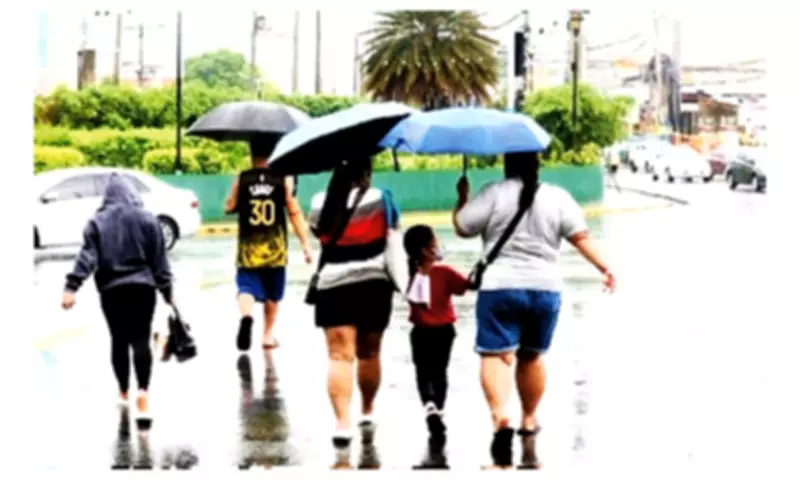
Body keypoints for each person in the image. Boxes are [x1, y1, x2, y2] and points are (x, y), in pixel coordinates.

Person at [451, 152, 616, 469]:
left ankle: (501, 415)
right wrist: (605, 268)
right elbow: (581, 238)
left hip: (500, 287)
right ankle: (528, 418)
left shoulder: (494, 193)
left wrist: (462, 198)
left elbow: (462, 227)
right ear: (537, 166)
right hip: (545, 289)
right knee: (532, 355)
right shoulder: (557, 197)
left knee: (495, 354)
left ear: (507, 166)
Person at [61, 173, 174, 421]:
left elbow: (87, 258)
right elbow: (160, 262)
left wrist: (71, 287)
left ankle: (124, 392)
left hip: (112, 291)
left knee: (119, 341)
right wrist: (167, 292)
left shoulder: (97, 222)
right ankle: (143, 393)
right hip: (143, 290)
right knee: (141, 340)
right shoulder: (149, 220)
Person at [306, 156, 401, 448]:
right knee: (369, 354)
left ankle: (342, 423)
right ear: (367, 172)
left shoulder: (319, 202)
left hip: (333, 285)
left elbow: (318, 232)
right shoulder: (382, 199)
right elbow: (394, 233)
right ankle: (367, 411)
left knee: (339, 357)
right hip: (374, 285)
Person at [224, 139, 313, 351]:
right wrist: (305, 244)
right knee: (273, 294)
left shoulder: (242, 178)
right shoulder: (282, 178)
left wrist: (236, 199)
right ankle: (267, 335)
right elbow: (293, 211)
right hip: (275, 248)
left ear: (252, 155)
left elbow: (229, 206)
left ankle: (247, 316)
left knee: (246, 287)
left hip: (249, 249)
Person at [403, 224, 470, 446]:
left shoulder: (408, 275)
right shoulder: (444, 272)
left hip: (420, 332)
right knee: (440, 372)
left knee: (422, 372)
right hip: (444, 332)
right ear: (427, 249)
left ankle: (429, 405)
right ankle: (439, 409)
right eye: (435, 241)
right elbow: (465, 286)